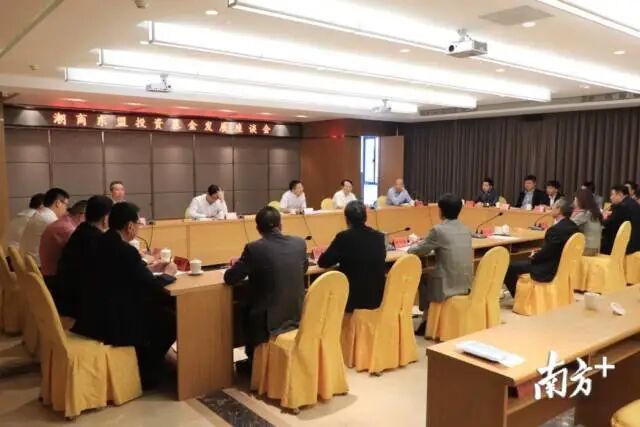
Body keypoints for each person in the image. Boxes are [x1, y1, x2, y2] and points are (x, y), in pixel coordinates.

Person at [71, 202, 178, 389]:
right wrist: (168, 273)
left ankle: (147, 361)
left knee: (160, 308)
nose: (138, 228)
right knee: (170, 320)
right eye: (137, 224)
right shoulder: (125, 250)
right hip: (112, 320)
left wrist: (150, 269)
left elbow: (126, 272)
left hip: (92, 312)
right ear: (130, 226)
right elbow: (151, 285)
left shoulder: (100, 241)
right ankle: (146, 372)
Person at [223, 206, 308, 363]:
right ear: (280, 225)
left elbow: (230, 278)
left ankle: (253, 361)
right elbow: (304, 268)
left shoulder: (254, 249)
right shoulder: (299, 243)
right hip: (297, 312)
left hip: (269, 320)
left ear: (258, 229)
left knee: (241, 307)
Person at [408, 193, 472, 334]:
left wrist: (411, 245)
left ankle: (426, 319)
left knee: (422, 276)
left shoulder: (438, 230)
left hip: (447, 284)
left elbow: (417, 251)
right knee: (432, 272)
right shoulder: (466, 229)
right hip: (466, 282)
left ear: (441, 211)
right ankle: (428, 317)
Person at [318, 201, 386, 312]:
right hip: (376, 299)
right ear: (366, 217)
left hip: (352, 300)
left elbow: (324, 262)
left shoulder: (344, 237)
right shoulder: (379, 236)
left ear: (346, 219)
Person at [504, 199, 579, 298]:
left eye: (553, 207)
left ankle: (519, 298)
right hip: (563, 266)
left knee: (510, 268)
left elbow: (547, 253)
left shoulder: (555, 230)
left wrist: (535, 256)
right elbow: (554, 248)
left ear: (559, 210)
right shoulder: (574, 227)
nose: (551, 209)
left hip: (548, 268)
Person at [56, 196, 113, 317]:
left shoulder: (81, 231)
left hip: (66, 297)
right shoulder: (98, 239)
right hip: (82, 304)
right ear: (106, 218)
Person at [39, 199, 87, 287]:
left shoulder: (63, 222)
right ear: (82, 216)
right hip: (54, 279)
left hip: (48, 274)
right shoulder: (67, 229)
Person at [20, 188, 70, 264]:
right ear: (58, 203)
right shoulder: (50, 220)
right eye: (66, 205)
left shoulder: (38, 214)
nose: (66, 209)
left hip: (28, 263)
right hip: (38, 265)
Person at [601, 185, 640, 255]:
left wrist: (603, 218)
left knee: (602, 241)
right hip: (636, 244)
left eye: (612, 194)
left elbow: (610, 225)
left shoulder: (622, 206)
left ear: (620, 194)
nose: (611, 197)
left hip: (627, 245)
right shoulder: (634, 203)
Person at [571, 189, 603, 256]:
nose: (573, 201)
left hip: (587, 248)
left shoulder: (584, 214)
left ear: (580, 200)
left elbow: (568, 225)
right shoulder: (594, 212)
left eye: (575, 199)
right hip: (596, 248)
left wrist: (573, 215)